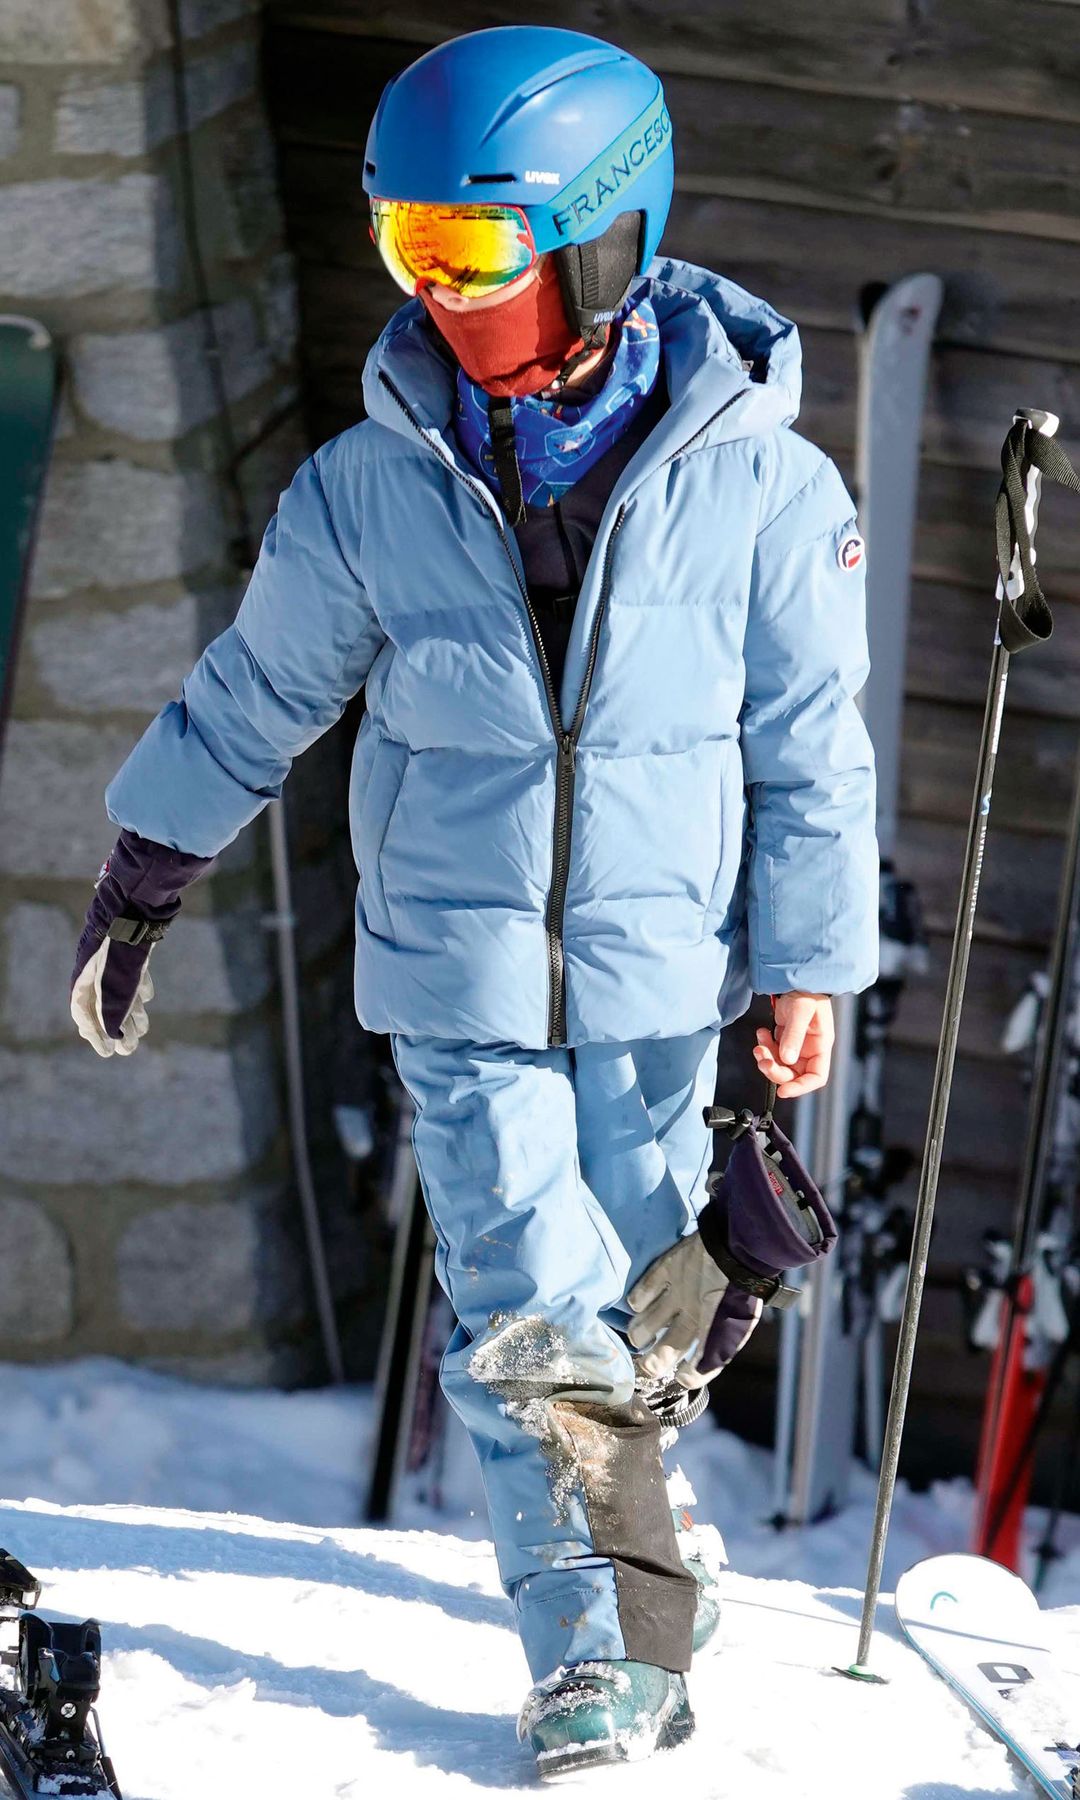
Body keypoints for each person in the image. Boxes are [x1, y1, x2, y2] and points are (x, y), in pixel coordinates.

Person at [69, 24, 878, 1778]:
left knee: (653, 1311)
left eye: (476, 259)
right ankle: (605, 1641)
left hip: (667, 982)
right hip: (455, 977)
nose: (439, 302)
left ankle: (637, 1518)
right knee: (528, 1301)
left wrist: (808, 965)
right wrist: (146, 870)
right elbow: (254, 694)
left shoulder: (763, 488)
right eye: (407, 256)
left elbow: (818, 752)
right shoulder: (374, 490)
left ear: (600, 237)